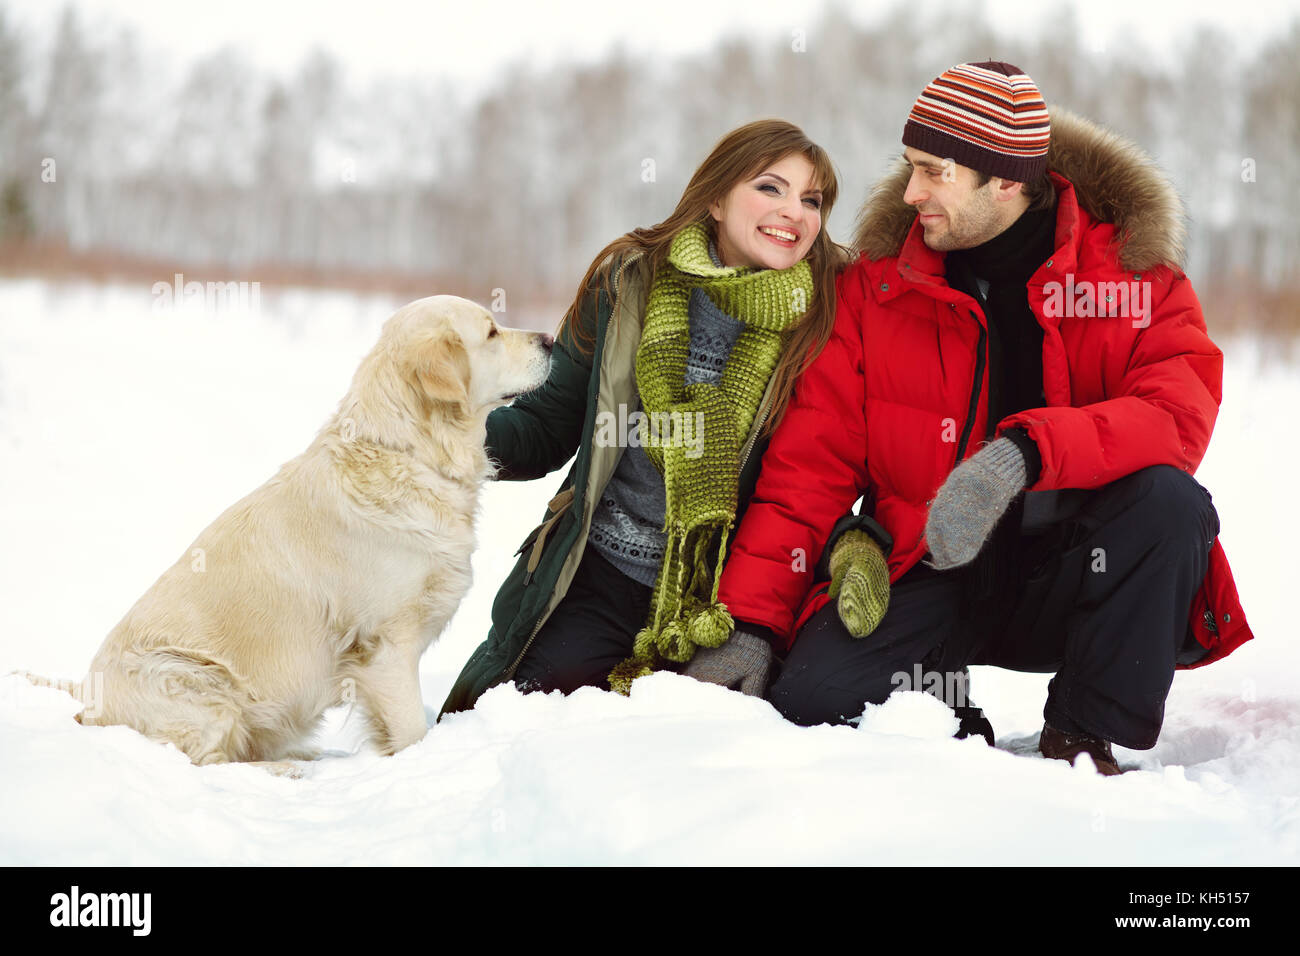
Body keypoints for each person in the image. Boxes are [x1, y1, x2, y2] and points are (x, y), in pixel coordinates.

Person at [713, 62, 1255, 774]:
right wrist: (751, 622)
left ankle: (1080, 734)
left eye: (934, 172)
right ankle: (944, 716)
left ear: (1006, 180)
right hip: (927, 563)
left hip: (1070, 577)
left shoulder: (1126, 275)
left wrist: (1026, 453)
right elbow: (809, 468)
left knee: (1169, 504)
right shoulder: (875, 289)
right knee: (814, 702)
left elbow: (1176, 414)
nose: (911, 193)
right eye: (909, 168)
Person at [439, 119, 882, 716]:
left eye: (813, 200)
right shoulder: (630, 282)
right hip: (600, 574)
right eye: (771, 189)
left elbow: (819, 473)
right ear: (717, 198)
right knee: (521, 721)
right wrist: (440, 432)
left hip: (734, 593)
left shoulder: (829, 308)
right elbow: (546, 428)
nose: (795, 213)